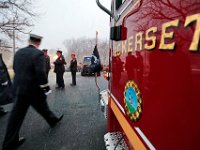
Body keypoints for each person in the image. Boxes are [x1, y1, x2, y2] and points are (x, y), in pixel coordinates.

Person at [2, 34, 63, 150]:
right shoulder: (38, 54)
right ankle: (52, 120)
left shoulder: (19, 52)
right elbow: (40, 72)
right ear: (38, 43)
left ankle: (9, 142)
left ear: (29, 41)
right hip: (32, 89)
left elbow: (15, 68)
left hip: (19, 88)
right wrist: (46, 88)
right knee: (42, 106)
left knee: (15, 116)